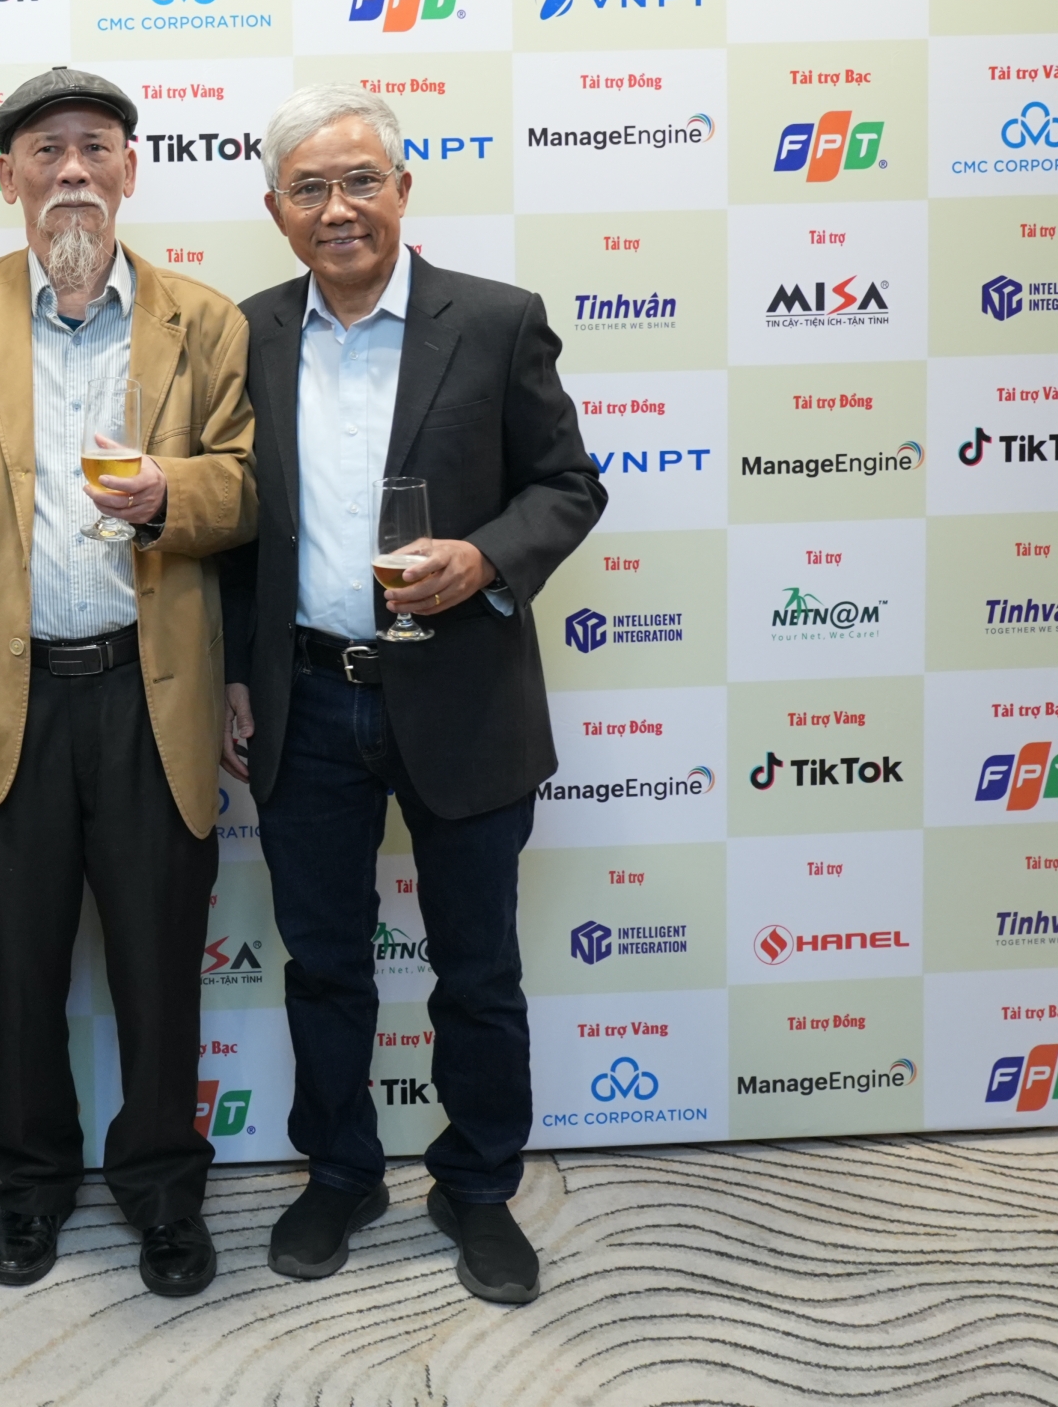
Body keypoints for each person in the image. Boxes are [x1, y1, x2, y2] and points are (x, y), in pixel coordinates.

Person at [220, 85, 605, 1306]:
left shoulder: (494, 320)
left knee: (477, 967)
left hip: (464, 694)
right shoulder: (245, 332)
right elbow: (230, 527)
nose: (338, 209)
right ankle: (340, 1171)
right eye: (310, 189)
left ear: (402, 187)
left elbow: (568, 484)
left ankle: (478, 1184)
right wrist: (233, 672)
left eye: (360, 181)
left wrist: (485, 558)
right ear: (276, 210)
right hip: (306, 698)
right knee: (324, 963)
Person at [0, 65, 256, 1298]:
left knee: (158, 962)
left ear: (132, 169)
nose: (74, 172)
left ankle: (164, 1190)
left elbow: (248, 486)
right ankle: (32, 1183)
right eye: (47, 151)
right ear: (10, 177)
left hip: (153, 697)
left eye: (97, 147)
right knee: (20, 965)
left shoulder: (204, 318)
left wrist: (171, 494)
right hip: (6, 697)